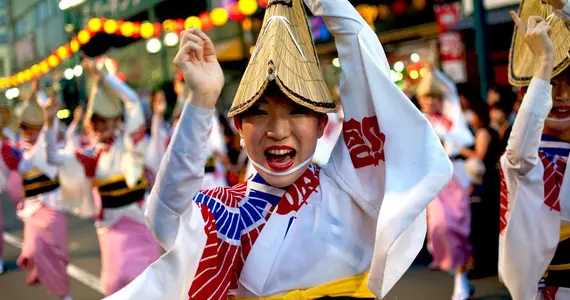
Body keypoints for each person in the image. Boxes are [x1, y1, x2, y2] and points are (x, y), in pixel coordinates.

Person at [105, 0, 453, 298]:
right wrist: (201, 101)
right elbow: (164, 219)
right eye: (258, 113)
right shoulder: (223, 212)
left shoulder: (350, 189)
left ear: (322, 126)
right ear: (239, 128)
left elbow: (365, 69)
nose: (277, 130)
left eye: (298, 110)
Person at [43, 58, 160, 296]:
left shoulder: (128, 145)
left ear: (117, 121)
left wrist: (104, 78)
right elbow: (53, 157)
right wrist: (48, 121)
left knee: (147, 283)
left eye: (104, 120)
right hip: (111, 228)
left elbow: (133, 101)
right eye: (94, 121)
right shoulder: (90, 155)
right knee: (114, 284)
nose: (99, 126)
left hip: (140, 222)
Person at [500, 0, 570, 297]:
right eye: (552, 84)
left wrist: (564, 9)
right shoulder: (536, 157)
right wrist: (543, 62)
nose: (563, 95)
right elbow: (519, 159)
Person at [0, 83, 71, 300]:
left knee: (57, 255)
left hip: (53, 206)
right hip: (32, 209)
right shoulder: (19, 148)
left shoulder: (48, 143)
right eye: (24, 127)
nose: (28, 132)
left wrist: (44, 108)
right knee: (32, 251)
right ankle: (39, 270)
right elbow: (18, 164)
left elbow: (48, 138)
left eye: (32, 127)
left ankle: (64, 294)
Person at [415, 69, 475, 300]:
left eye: (434, 96)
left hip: (457, 178)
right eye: (426, 97)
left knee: (459, 230)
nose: (430, 101)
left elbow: (451, 90)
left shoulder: (453, 121)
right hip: (434, 182)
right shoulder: (417, 121)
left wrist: (436, 73)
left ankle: (462, 280)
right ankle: (459, 274)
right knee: (439, 229)